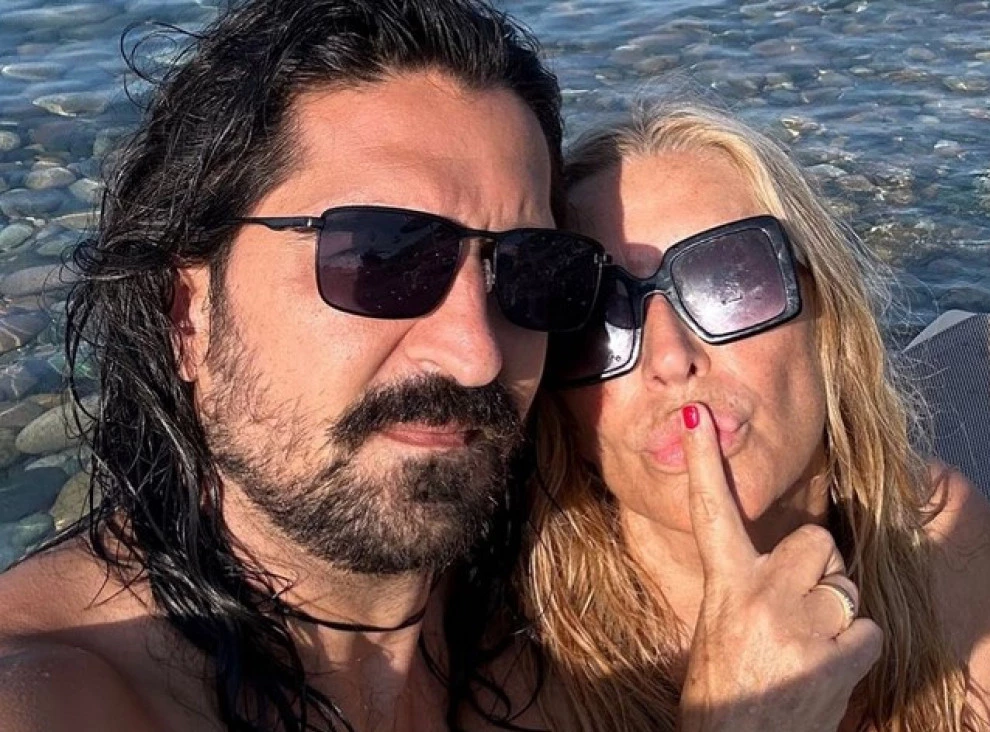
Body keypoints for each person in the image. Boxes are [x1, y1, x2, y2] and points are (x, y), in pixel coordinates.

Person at [0, 1, 611, 730]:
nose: (476, 353)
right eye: (381, 257)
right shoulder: (56, 693)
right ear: (187, 315)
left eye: (529, 267)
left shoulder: (591, 628)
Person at [511, 101, 990, 731]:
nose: (669, 358)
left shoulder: (936, 536)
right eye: (597, 318)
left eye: (729, 281)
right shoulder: (519, 671)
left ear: (825, 316)